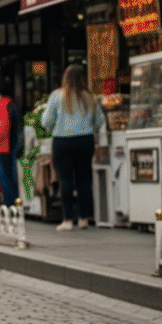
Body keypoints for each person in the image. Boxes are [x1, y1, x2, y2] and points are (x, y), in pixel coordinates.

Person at [41, 65, 104, 231]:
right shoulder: (90, 97)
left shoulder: (57, 96)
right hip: (85, 141)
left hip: (62, 142)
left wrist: (54, 128)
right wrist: (92, 130)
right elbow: (99, 121)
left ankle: (68, 219)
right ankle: (84, 218)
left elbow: (46, 120)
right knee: (84, 179)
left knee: (65, 180)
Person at [0, 77, 23, 207]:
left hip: (3, 148)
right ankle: (16, 204)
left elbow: (1, 128)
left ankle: (10, 206)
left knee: (5, 178)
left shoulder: (2, 106)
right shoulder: (13, 105)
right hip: (14, 147)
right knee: (13, 178)